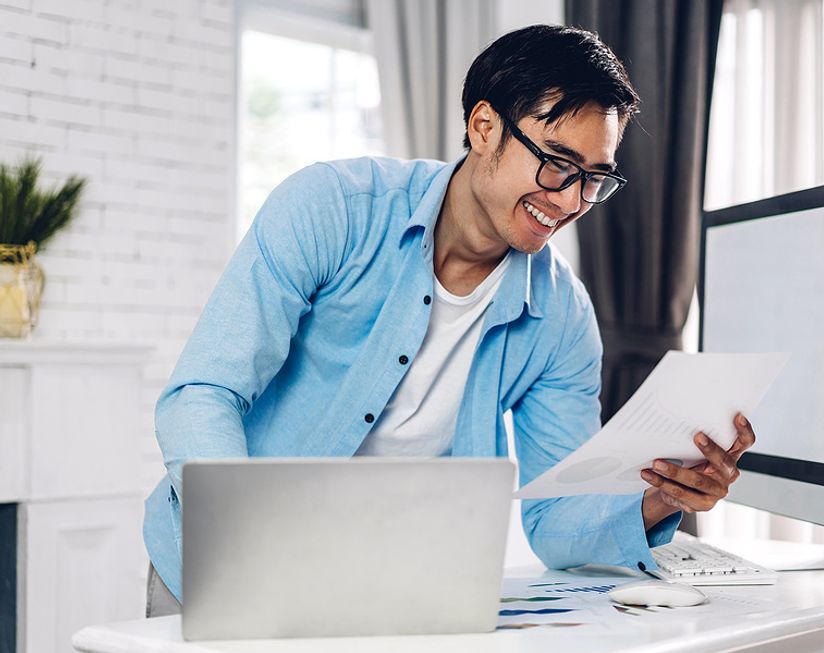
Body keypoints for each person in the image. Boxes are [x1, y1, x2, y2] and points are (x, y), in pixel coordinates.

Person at [143, 24, 756, 617]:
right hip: (226, 569)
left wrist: (658, 499)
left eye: (594, 179)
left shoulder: (562, 317)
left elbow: (556, 519)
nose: (571, 201)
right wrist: (241, 541)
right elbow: (202, 394)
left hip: (396, 592)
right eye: (557, 163)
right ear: (484, 127)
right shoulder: (333, 209)